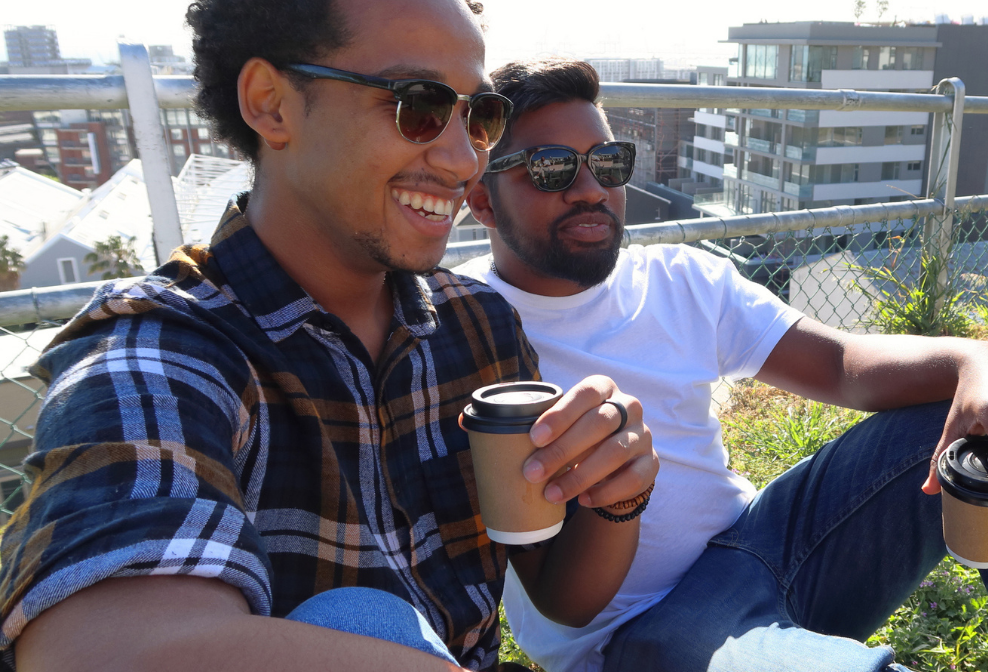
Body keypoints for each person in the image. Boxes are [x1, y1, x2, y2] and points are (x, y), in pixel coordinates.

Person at [0, 5, 659, 672]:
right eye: (419, 105)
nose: (464, 160)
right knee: (361, 620)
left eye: (478, 116)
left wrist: (616, 495)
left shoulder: (478, 325)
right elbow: (96, 650)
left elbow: (561, 597)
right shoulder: (160, 353)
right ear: (272, 105)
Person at [457, 58, 988, 672]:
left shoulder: (680, 278)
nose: (589, 188)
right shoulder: (463, 331)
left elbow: (838, 364)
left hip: (767, 543)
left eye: (608, 162)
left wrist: (980, 358)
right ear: (483, 199)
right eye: (551, 168)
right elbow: (553, 593)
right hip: (644, 636)